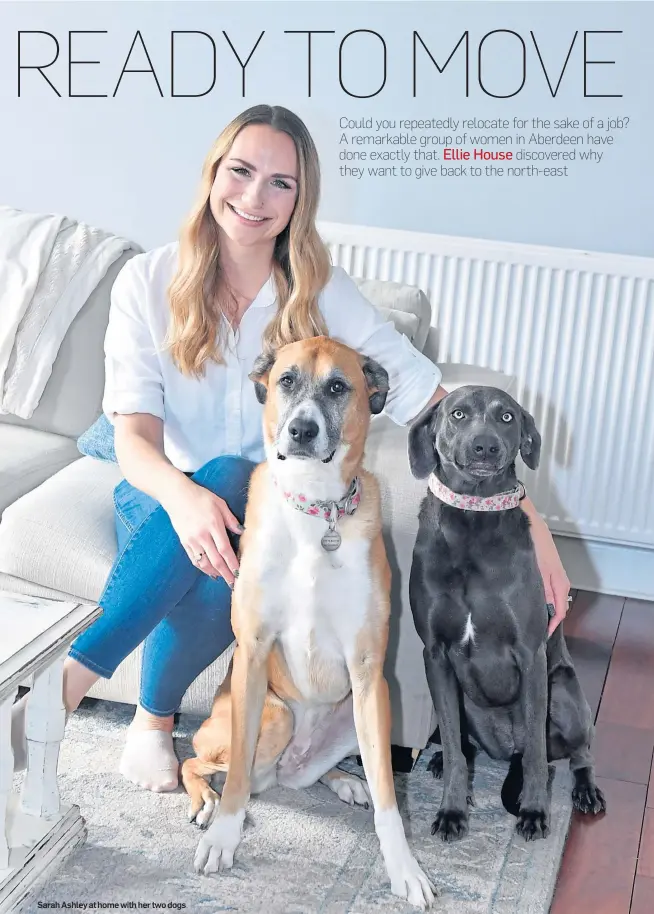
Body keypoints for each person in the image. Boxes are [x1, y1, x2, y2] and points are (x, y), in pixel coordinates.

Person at [11, 104, 571, 792]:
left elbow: (433, 398)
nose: (254, 197)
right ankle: (88, 698)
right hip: (159, 487)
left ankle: (126, 717)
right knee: (215, 491)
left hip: (266, 507)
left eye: (281, 183)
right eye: (241, 172)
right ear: (213, 174)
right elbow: (133, 439)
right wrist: (186, 499)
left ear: (300, 202)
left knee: (235, 514)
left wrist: (531, 522)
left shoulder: (322, 292)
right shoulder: (148, 282)